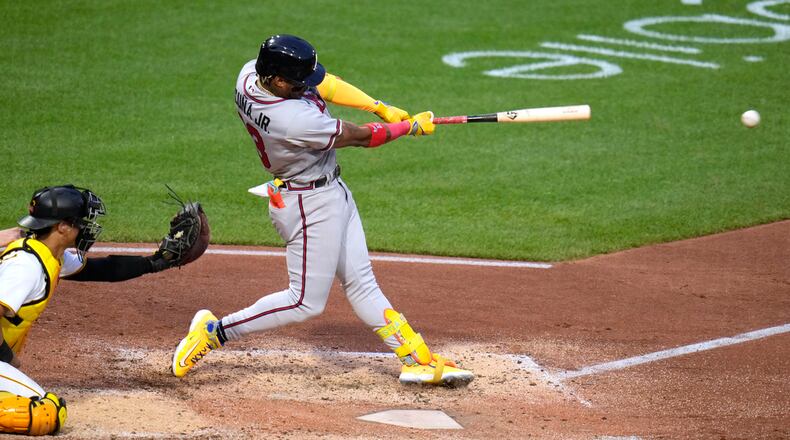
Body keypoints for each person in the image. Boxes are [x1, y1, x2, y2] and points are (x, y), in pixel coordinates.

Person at [171, 34, 474, 387]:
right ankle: (215, 331)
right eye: (299, 82)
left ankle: (416, 359)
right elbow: (360, 137)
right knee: (304, 302)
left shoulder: (250, 73)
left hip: (331, 191)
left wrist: (379, 106)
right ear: (278, 81)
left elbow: (326, 84)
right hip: (308, 204)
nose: (307, 86)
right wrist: (408, 127)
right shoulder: (292, 120)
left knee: (362, 283)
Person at [0, 185, 207, 435]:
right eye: (80, 222)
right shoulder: (26, 267)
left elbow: (102, 269)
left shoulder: (48, 254)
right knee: (45, 412)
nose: (86, 227)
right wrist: (7, 357)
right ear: (62, 227)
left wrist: (157, 262)